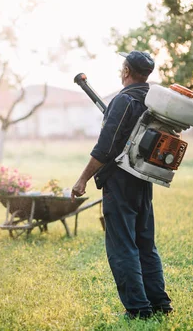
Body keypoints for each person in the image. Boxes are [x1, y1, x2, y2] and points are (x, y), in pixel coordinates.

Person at [71, 51, 173, 319]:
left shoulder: (124, 100)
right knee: (145, 244)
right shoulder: (153, 102)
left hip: (119, 182)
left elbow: (105, 148)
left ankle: (139, 309)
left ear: (126, 70)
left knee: (123, 246)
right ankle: (160, 303)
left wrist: (82, 179)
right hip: (144, 179)